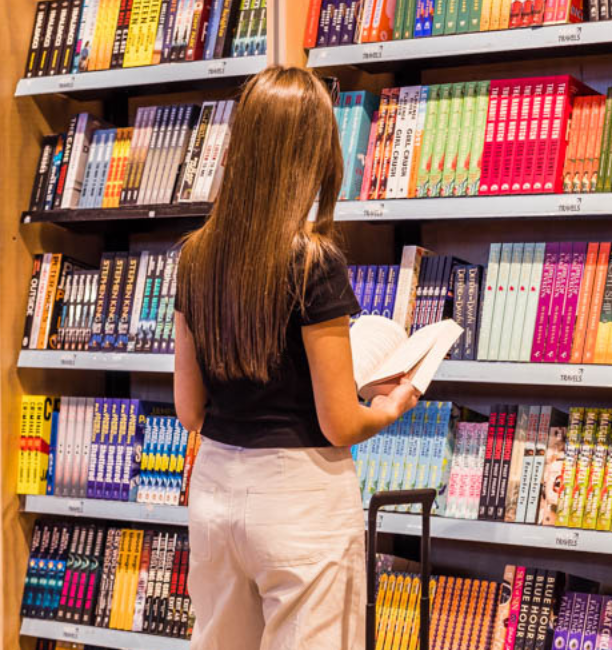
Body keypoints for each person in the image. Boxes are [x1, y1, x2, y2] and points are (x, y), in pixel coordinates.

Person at [171, 66, 422, 650]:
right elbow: (338, 421)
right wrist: (394, 403)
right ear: (314, 153)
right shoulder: (313, 261)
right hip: (300, 498)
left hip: (214, 494)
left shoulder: (195, 256)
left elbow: (189, 409)